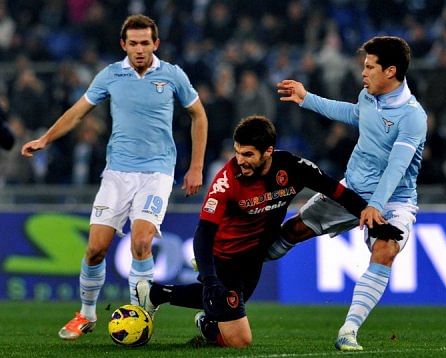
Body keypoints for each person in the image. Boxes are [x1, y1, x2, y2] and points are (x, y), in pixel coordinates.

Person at [135, 115, 403, 348]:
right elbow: (203, 233)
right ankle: (208, 323)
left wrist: (375, 220)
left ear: (268, 152)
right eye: (237, 152)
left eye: (247, 154)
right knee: (240, 339)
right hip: (225, 257)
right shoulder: (226, 182)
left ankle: (158, 294)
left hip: (256, 255)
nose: (240, 160)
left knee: (236, 299)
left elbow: (338, 192)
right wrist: (209, 277)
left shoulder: (293, 168)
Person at [20, 14, 208, 340]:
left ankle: (142, 315)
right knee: (95, 249)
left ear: (155, 44)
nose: (139, 49)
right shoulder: (110, 75)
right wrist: (45, 139)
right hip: (117, 173)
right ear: (123, 44)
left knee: (141, 241)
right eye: (133, 43)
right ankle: (86, 314)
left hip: (156, 172)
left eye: (145, 43)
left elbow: (199, 115)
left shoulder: (172, 75)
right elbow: (78, 112)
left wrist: (196, 167)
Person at [272, 36, 427, 351]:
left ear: (391, 71)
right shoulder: (369, 97)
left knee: (385, 250)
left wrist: (376, 206)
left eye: (370, 67)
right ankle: (222, 260)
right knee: (291, 231)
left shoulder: (412, 116)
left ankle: (348, 330)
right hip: (351, 189)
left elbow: (397, 166)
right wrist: (306, 98)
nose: (364, 72)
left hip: (393, 201)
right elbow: (353, 114)